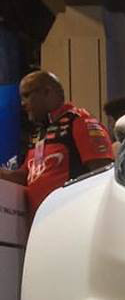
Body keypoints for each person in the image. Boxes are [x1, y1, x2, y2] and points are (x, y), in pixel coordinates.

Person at [0, 70, 114, 220]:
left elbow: (103, 173)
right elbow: (25, 176)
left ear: (47, 92)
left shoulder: (80, 121)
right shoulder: (38, 133)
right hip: (39, 224)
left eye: (26, 95)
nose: (23, 104)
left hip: (72, 220)